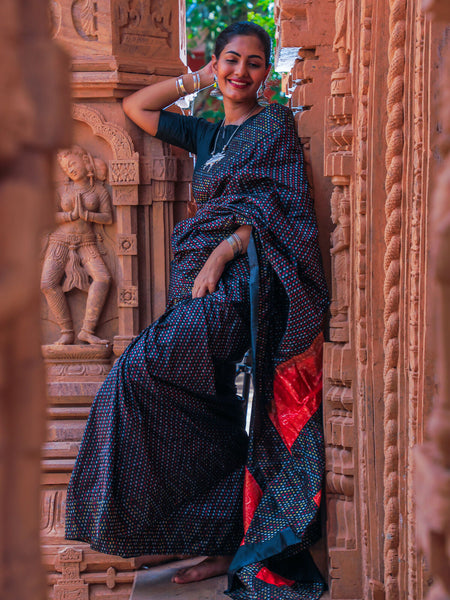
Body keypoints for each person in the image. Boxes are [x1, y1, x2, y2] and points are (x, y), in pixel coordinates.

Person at [65, 21, 329, 600]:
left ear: (267, 74)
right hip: (198, 285)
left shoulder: (274, 125)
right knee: (196, 411)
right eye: (231, 61)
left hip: (240, 286)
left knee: (136, 376)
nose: (240, 72)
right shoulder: (207, 137)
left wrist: (222, 253)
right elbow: (136, 107)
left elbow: (278, 206)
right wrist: (198, 76)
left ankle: (224, 534)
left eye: (254, 63)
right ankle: (218, 531)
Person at [41, 145, 112, 345]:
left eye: (72, 163)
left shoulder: (98, 190)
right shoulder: (62, 190)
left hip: (86, 240)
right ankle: (66, 331)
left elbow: (108, 217)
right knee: (47, 284)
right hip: (60, 241)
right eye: (65, 168)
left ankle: (87, 330)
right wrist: (70, 216)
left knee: (103, 279)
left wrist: (87, 215)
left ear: (84, 160)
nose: (70, 169)